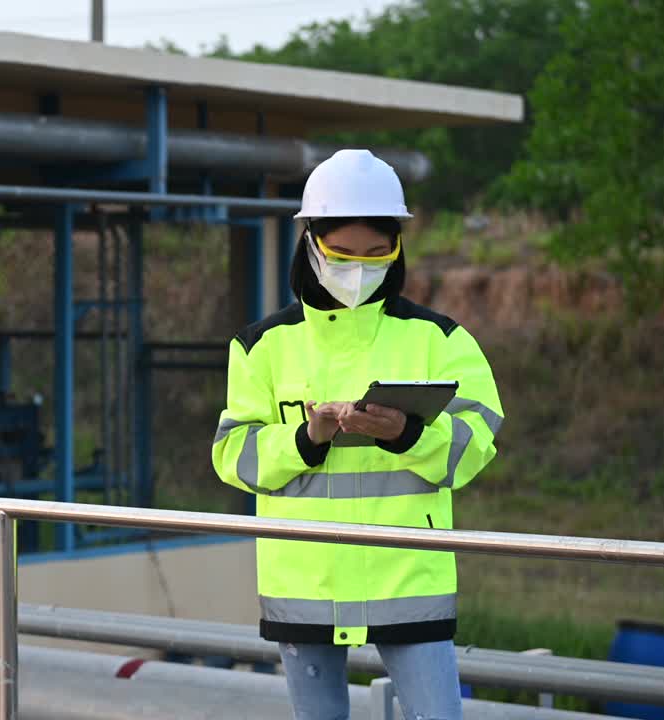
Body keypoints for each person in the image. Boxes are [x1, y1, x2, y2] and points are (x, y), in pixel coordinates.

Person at [211, 149, 503, 720]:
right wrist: (305, 438)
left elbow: (479, 441)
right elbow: (232, 454)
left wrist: (405, 434)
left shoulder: (440, 339)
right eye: (343, 252)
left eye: (378, 252)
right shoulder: (260, 346)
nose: (359, 267)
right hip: (305, 581)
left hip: (408, 578)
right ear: (311, 242)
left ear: (397, 248)